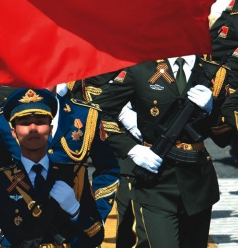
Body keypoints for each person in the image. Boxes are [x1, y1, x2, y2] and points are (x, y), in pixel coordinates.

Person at [91, 56, 224, 248]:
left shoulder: (213, 72)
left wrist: (213, 110)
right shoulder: (141, 69)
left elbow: (224, 137)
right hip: (155, 182)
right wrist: (131, 148)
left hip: (197, 182)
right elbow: (98, 111)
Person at [0, 88, 104, 248]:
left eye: (40, 122)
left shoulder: (74, 177)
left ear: (51, 130)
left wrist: (75, 211)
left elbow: (96, 237)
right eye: (24, 123)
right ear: (13, 132)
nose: (33, 129)